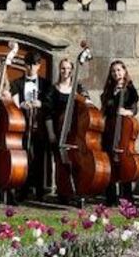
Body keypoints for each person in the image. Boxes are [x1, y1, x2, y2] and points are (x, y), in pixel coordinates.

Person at [44, 58, 91, 204]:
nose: (66, 71)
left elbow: (88, 104)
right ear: (60, 70)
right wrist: (51, 133)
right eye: (63, 68)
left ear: (72, 70)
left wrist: (80, 98)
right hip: (60, 131)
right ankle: (64, 193)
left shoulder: (79, 88)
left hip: (76, 132)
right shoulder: (53, 89)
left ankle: (79, 192)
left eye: (68, 68)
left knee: (78, 163)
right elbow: (48, 113)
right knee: (61, 163)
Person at [11, 51, 49, 202]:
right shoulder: (17, 83)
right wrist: (22, 104)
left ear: (39, 66)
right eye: (28, 64)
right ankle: (23, 191)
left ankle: (40, 192)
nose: (31, 67)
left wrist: (40, 103)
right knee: (24, 158)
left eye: (34, 64)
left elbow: (50, 104)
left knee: (39, 159)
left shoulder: (45, 84)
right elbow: (14, 104)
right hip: (23, 126)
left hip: (40, 126)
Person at [101, 60, 139, 206]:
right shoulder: (109, 89)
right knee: (109, 163)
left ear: (124, 71)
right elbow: (104, 108)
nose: (116, 73)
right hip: (110, 128)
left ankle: (127, 196)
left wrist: (126, 112)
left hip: (123, 129)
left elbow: (134, 109)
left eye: (119, 70)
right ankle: (110, 197)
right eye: (113, 71)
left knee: (124, 163)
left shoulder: (130, 89)